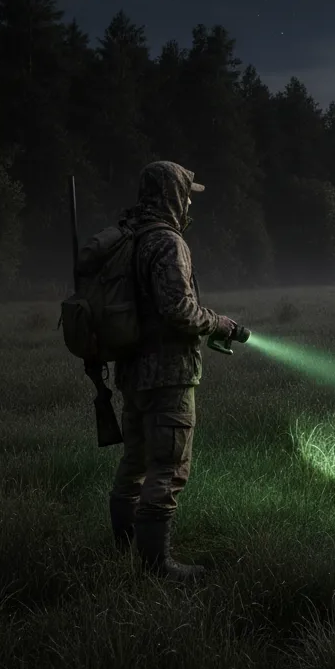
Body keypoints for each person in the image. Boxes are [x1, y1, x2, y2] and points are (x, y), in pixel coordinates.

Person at [107, 160, 238, 581]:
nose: (187, 204)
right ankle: (157, 566)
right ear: (172, 195)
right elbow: (178, 310)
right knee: (167, 467)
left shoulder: (129, 240)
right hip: (169, 375)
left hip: (132, 372)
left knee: (135, 463)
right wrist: (220, 323)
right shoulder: (167, 242)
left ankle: (125, 551)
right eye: (185, 194)